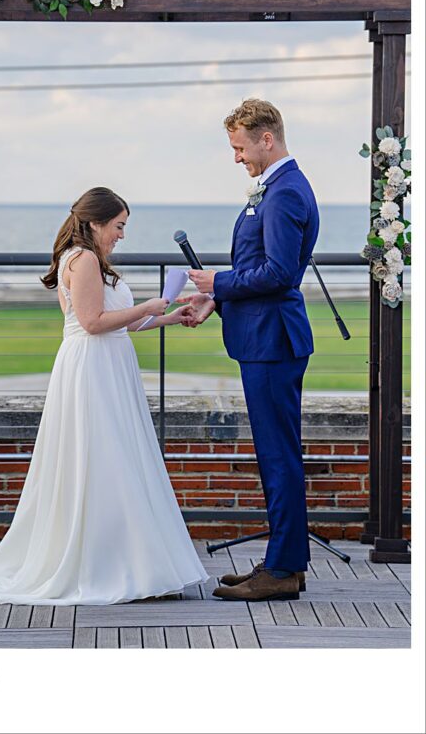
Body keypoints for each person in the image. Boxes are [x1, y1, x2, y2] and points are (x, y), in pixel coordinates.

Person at [0, 187, 209, 605]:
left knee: (115, 459)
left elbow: (117, 326)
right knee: (100, 458)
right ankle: (106, 564)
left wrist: (166, 316)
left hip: (107, 364)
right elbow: (92, 323)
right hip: (91, 369)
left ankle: (125, 559)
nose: (122, 235)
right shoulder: (83, 258)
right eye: (119, 226)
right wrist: (151, 303)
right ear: (96, 223)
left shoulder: (89, 259)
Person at [180, 99, 319, 602]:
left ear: (267, 138)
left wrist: (220, 280)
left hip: (272, 340)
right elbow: (262, 270)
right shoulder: (279, 188)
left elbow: (279, 274)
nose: (237, 158)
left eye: (240, 147)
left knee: (278, 456)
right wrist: (216, 295)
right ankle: (287, 560)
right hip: (264, 336)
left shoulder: (283, 194)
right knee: (276, 453)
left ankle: (282, 571)